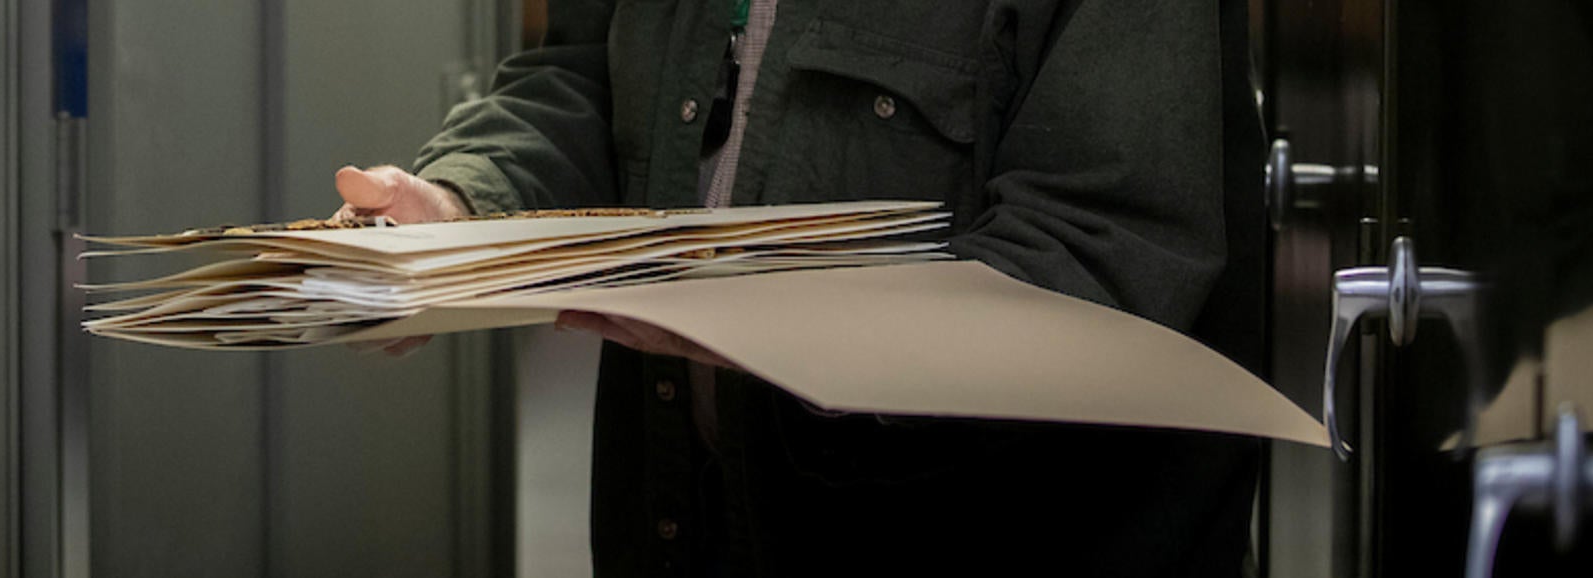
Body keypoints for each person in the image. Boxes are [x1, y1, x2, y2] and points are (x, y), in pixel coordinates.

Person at [337, 0, 1267, 575]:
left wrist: (777, 327)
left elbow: (1105, 248)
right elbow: (583, 76)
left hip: (975, 534)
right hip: (681, 521)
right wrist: (461, 203)